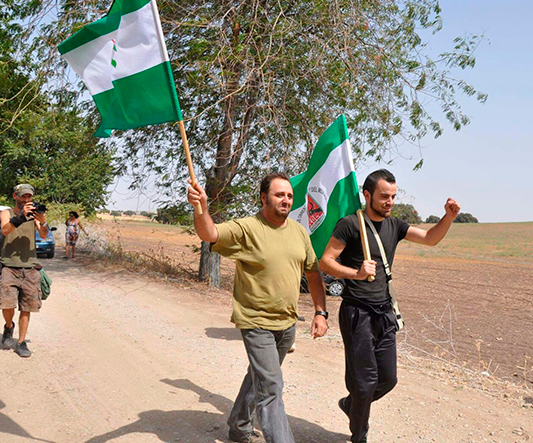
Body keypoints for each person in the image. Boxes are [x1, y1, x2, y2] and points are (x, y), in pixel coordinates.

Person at [319, 169, 461, 443]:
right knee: (364, 382)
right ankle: (359, 435)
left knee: (387, 379)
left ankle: (351, 404)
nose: (390, 202)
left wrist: (448, 218)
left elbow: (430, 238)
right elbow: (326, 261)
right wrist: (356, 273)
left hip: (384, 313)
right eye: (385, 196)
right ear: (367, 195)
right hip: (357, 312)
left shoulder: (395, 225)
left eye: (393, 196)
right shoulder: (349, 224)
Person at [187, 172, 328, 443]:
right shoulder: (247, 228)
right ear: (264, 198)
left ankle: (239, 425)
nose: (286, 200)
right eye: (279, 195)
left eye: (289, 195)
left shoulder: (299, 232)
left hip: (287, 323)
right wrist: (200, 208)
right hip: (256, 322)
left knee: (260, 377)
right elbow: (209, 233)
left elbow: (312, 273)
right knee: (271, 387)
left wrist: (320, 312)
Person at [0, 184, 49, 358]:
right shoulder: (7, 213)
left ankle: (21, 342)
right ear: (15, 196)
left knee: (27, 306)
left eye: (29, 196)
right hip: (9, 266)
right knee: (6, 304)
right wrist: (20, 217)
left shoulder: (34, 215)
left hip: (30, 267)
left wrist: (43, 221)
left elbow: (43, 234)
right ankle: (9, 326)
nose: (27, 199)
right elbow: (5, 230)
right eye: (23, 196)